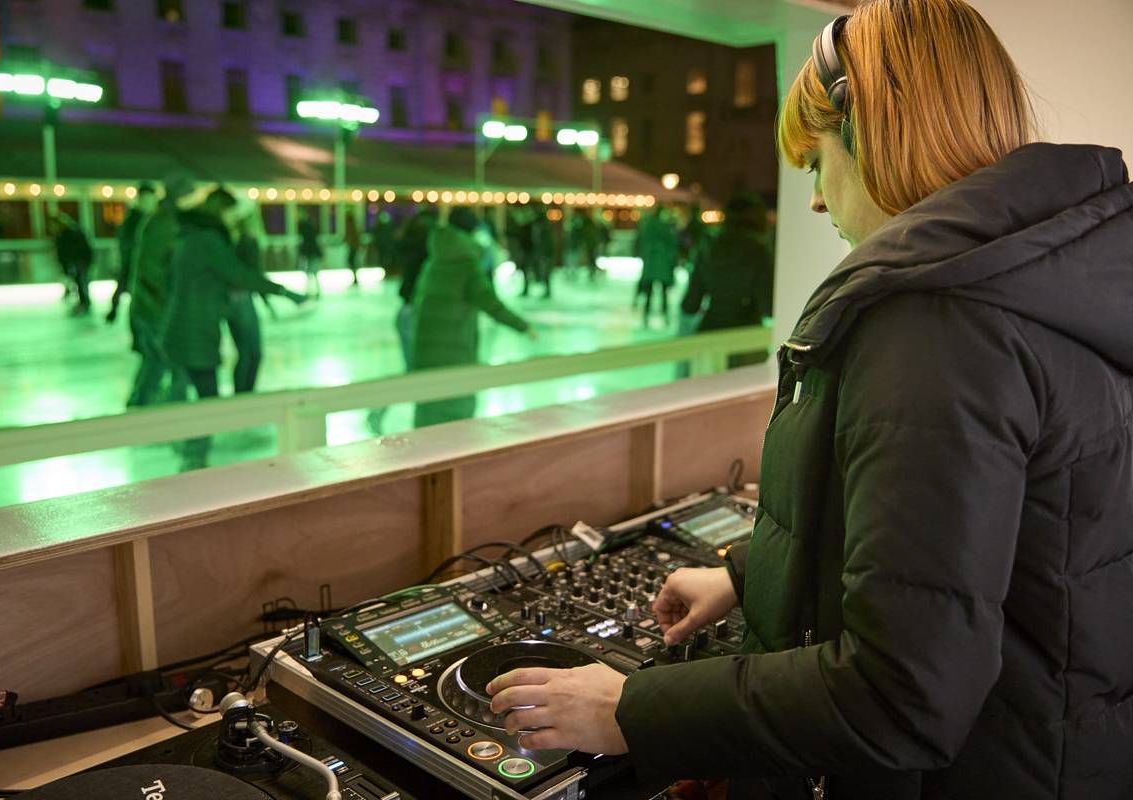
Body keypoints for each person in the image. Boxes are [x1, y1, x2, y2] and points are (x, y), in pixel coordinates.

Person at [486, 1, 1133, 797]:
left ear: (873, 131)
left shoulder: (938, 322)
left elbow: (904, 697)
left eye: (815, 161)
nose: (818, 202)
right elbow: (991, 551)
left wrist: (634, 708)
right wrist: (748, 574)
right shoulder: (1049, 284)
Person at [161, 187, 305, 469]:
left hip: (180, 326)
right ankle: (193, 461)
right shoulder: (207, 239)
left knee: (185, 393)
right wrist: (284, 292)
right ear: (221, 210)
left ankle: (186, 451)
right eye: (230, 213)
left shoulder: (189, 234)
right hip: (195, 331)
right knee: (208, 403)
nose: (232, 220)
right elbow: (236, 273)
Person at [410, 206, 534, 428]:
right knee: (455, 420)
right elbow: (491, 304)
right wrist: (523, 327)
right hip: (455, 351)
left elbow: (418, 302)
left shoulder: (435, 258)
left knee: (428, 417)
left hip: (426, 350)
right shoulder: (465, 264)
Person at [680, 193, 774, 367]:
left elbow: (690, 305)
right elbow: (768, 306)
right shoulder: (758, 252)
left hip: (709, 337)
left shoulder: (706, 247)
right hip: (747, 340)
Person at [366, 206, 436, 435]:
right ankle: (379, 410)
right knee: (415, 373)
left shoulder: (409, 246)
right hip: (415, 314)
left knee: (416, 372)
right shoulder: (428, 252)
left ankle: (381, 410)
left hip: (407, 313)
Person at [126, 173, 193, 408]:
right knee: (176, 362)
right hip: (155, 308)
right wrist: (169, 305)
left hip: (150, 306)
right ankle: (164, 412)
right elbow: (153, 269)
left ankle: (139, 405)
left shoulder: (164, 219)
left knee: (156, 362)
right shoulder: (165, 222)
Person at [106, 181, 158, 324]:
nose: (150, 203)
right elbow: (126, 245)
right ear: (140, 200)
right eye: (146, 199)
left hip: (148, 269)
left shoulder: (154, 219)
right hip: (136, 268)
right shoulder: (133, 221)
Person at [228, 207, 267, 394]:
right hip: (241, 300)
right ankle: (244, 394)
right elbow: (252, 274)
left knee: (248, 353)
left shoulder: (237, 242)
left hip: (240, 299)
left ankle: (244, 393)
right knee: (250, 353)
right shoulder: (246, 242)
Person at [634, 204, 678, 327]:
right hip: (661, 262)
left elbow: (641, 241)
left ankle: (646, 316)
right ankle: (664, 315)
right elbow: (673, 243)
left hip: (651, 262)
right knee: (662, 291)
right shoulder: (665, 227)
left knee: (650, 290)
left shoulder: (648, 226)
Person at [52, 212, 94, 316]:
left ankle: (85, 303)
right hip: (77, 262)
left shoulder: (71, 233)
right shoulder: (63, 234)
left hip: (81, 261)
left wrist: (74, 263)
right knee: (79, 281)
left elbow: (75, 250)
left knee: (81, 281)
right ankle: (83, 303)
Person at [298, 214, 323, 298]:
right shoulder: (312, 237)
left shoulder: (306, 239)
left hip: (309, 256)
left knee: (309, 275)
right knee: (314, 274)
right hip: (313, 256)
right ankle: (316, 291)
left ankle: (309, 291)